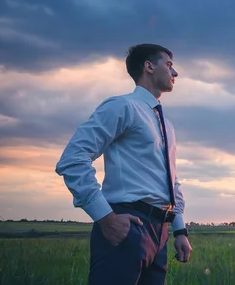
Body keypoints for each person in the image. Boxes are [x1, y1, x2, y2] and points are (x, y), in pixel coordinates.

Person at [55, 43, 192, 285]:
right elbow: (73, 158)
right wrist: (105, 217)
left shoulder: (166, 125)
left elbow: (172, 181)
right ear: (149, 66)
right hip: (127, 226)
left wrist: (179, 230)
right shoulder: (122, 106)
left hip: (160, 232)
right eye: (169, 65)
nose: (175, 73)